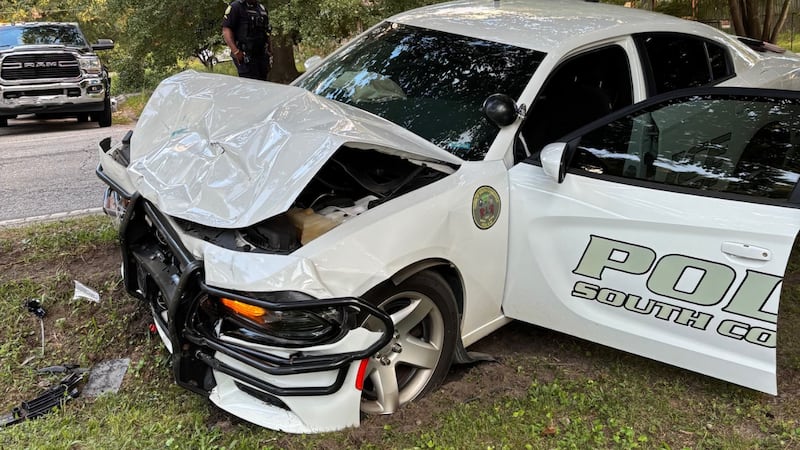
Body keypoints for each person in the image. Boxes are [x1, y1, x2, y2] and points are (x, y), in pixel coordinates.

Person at [222, 0, 272, 80]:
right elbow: (226, 29)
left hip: (261, 56)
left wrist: (269, 50)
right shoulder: (236, 7)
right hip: (245, 55)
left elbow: (266, 32)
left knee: (263, 82)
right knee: (250, 83)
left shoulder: (261, 8)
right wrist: (235, 51)